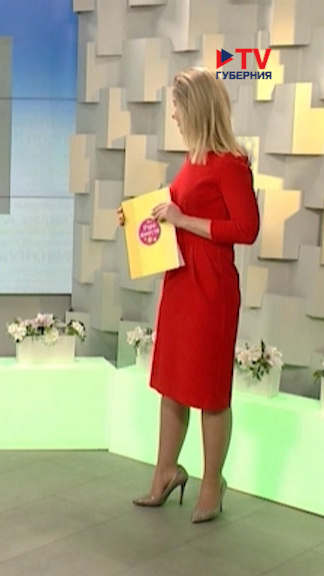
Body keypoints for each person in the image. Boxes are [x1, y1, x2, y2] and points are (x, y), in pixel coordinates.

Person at [118, 67, 260, 523]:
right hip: (181, 283)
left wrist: (182, 220)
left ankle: (212, 485)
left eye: (177, 107)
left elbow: (246, 229)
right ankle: (166, 472)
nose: (174, 115)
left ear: (195, 108)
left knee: (210, 391)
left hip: (211, 287)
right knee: (173, 383)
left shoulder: (230, 164)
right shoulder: (193, 160)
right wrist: (141, 217)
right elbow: (178, 210)